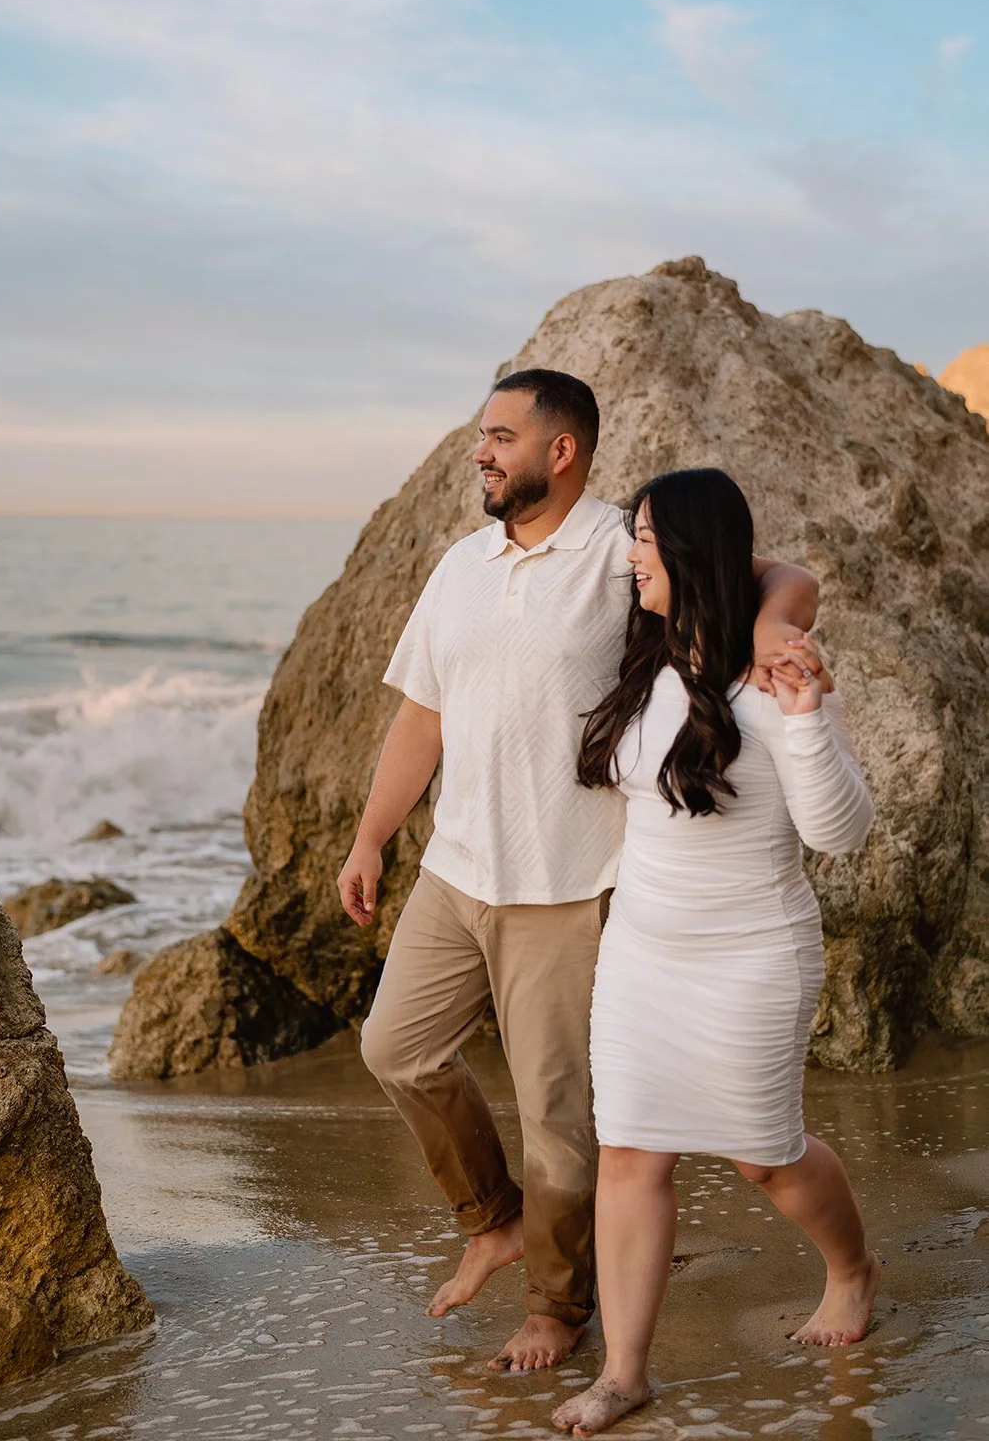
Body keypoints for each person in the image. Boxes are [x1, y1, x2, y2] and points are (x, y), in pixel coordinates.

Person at [338, 370, 826, 1374]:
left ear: (559, 452)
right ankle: (494, 1221)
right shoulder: (460, 565)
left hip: (569, 883)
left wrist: (774, 624)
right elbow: (419, 717)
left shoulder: (618, 548)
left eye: (499, 436)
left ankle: (558, 1310)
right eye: (481, 433)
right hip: (456, 867)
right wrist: (371, 836)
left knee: (560, 1120)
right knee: (395, 1048)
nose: (481, 451)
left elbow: (772, 572)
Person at [552, 467, 877, 1439]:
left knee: (762, 1158)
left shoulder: (768, 678)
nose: (628, 552)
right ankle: (623, 1372)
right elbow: (780, 570)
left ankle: (852, 1268)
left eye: (646, 535)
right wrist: (769, 599)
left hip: (749, 958)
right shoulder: (649, 658)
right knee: (627, 1156)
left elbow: (841, 835)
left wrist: (806, 715)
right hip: (640, 960)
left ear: (690, 551)